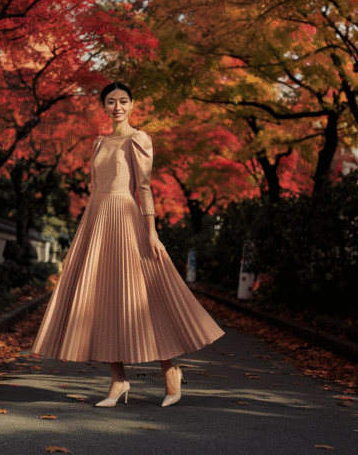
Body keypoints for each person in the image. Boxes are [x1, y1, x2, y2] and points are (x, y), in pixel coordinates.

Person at [32, 81, 224, 408]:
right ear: (104, 106)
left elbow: (144, 188)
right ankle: (118, 381)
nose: (117, 106)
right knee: (102, 298)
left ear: (133, 104)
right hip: (97, 222)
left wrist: (151, 231)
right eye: (110, 101)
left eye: (123, 101)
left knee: (145, 297)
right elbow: (94, 189)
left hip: (126, 220)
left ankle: (171, 371)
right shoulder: (98, 144)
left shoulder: (139, 139)